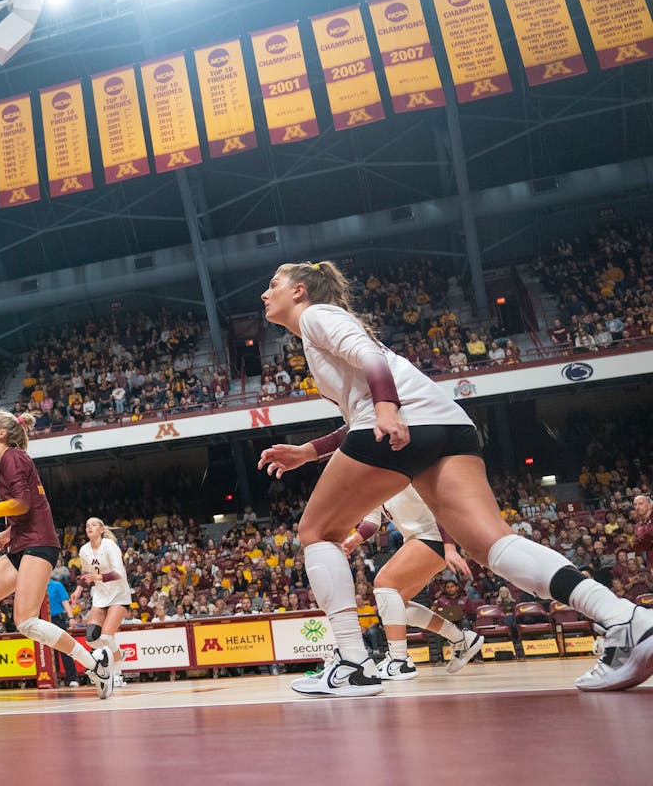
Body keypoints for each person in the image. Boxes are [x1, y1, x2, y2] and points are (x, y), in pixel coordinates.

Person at [257, 261, 653, 696]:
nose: (264, 293)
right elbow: (359, 407)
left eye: (273, 284)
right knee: (493, 544)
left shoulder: (316, 316)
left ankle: (352, 664)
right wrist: (308, 452)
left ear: (299, 291)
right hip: (448, 423)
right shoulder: (322, 331)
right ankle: (625, 618)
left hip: (401, 420)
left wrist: (387, 409)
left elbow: (370, 364)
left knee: (317, 531)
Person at [0, 412, 112, 707]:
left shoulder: (13, 458)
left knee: (26, 622)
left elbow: (22, 503)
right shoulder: (11, 459)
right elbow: (33, 506)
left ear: (3, 434)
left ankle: (95, 665)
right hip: (23, 543)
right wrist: (10, 531)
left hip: (39, 545)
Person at [342, 486, 485, 680]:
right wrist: (355, 539)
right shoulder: (373, 481)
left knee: (383, 584)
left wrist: (450, 546)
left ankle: (399, 662)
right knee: (397, 604)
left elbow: (440, 506)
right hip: (418, 540)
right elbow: (372, 521)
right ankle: (461, 638)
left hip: (434, 537)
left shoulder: (405, 471)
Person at [75, 517, 131, 683]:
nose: (89, 527)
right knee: (92, 639)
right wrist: (78, 589)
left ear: (101, 529)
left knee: (106, 637)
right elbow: (85, 572)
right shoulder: (84, 550)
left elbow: (119, 573)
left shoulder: (110, 546)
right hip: (100, 596)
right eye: (87, 525)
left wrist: (98, 577)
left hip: (119, 593)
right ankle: (118, 654)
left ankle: (117, 673)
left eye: (93, 524)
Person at [46, 570, 79, 686]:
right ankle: (55, 679)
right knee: (49, 651)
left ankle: (72, 678)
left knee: (65, 649)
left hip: (58, 619)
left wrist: (71, 617)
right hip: (44, 621)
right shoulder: (37, 588)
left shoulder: (57, 585)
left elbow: (65, 603)